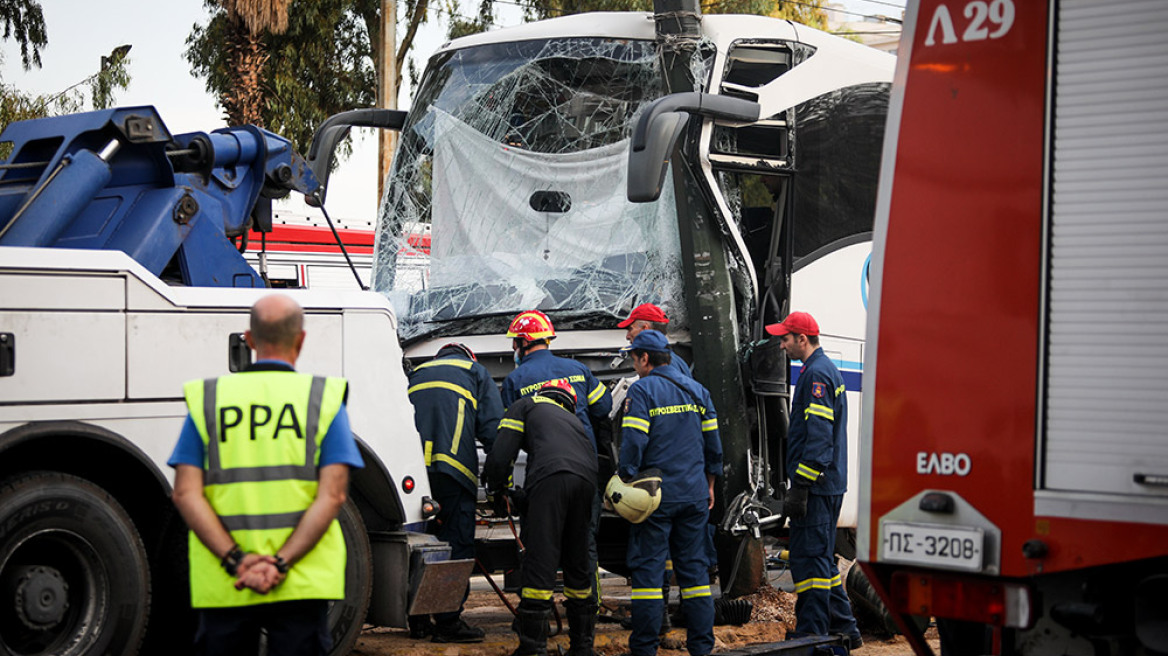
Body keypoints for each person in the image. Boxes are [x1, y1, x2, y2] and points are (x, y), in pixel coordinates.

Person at [169, 294, 365, 656]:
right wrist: (280, 562)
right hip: (302, 582)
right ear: (301, 339)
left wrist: (237, 561)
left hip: (228, 581)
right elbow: (334, 496)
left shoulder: (210, 399)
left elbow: (185, 494)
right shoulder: (321, 399)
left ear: (250, 338)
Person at [618, 330, 722, 656]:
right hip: (693, 495)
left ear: (645, 359)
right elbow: (714, 448)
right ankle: (701, 648)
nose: (634, 365)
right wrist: (710, 485)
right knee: (695, 576)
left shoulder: (643, 390)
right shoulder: (697, 390)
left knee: (648, 577)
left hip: (655, 498)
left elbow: (633, 443)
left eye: (634, 359)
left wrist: (624, 478)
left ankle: (645, 649)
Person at [501, 310, 613, 604]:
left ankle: (535, 612)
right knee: (584, 543)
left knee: (539, 543)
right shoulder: (579, 370)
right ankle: (591, 608)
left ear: (523, 343)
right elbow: (604, 407)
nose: (514, 348)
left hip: (544, 472)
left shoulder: (515, 380)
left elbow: (511, 431)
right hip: (585, 471)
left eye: (515, 342)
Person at [766, 311, 861, 649]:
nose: (782, 344)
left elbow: (819, 441)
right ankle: (846, 629)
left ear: (802, 339)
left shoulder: (817, 375)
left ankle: (814, 634)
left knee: (810, 562)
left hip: (818, 487)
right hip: (827, 484)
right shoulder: (820, 371)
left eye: (786, 338)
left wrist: (802, 485)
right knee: (820, 558)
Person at [484, 379, 599, 656]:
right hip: (587, 483)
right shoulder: (574, 423)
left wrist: (496, 491)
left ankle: (533, 648)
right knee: (577, 561)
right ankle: (582, 647)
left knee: (541, 560)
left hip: (552, 479)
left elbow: (501, 456)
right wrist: (523, 499)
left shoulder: (525, 405)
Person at [406, 342, 504, 642]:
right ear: (468, 356)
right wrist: (500, 481)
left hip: (413, 474)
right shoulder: (475, 372)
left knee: (418, 544)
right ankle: (448, 622)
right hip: (453, 472)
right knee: (456, 544)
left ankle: (418, 620)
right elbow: (492, 430)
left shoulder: (416, 373)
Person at [618, 303, 692, 378]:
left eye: (630, 329)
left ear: (645, 329)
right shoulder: (671, 361)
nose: (627, 336)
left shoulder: (659, 366)